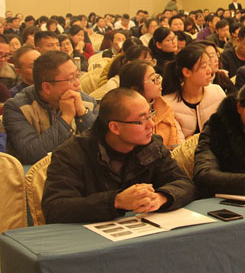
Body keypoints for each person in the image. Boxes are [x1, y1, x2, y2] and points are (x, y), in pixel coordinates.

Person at [41, 88, 194, 224]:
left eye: (150, 115)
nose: (151, 125)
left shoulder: (152, 146)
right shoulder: (72, 154)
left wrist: (162, 197)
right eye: (141, 120)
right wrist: (116, 201)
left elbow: (183, 183)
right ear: (115, 127)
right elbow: (55, 208)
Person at [4, 51, 98, 164]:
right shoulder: (17, 108)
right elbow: (31, 154)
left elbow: (101, 146)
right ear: (47, 87)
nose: (77, 83)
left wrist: (83, 114)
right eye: (71, 79)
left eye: (77, 76)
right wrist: (66, 118)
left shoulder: (87, 102)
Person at [162, 44, 226, 138]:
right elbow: (177, 143)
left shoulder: (217, 92)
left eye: (209, 65)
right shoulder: (169, 104)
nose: (209, 71)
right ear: (187, 72)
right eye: (204, 67)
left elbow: (227, 129)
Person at [119, 60, 184, 149]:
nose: (159, 81)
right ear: (135, 89)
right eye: (153, 80)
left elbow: (174, 143)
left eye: (157, 77)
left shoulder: (165, 107)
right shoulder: (125, 116)